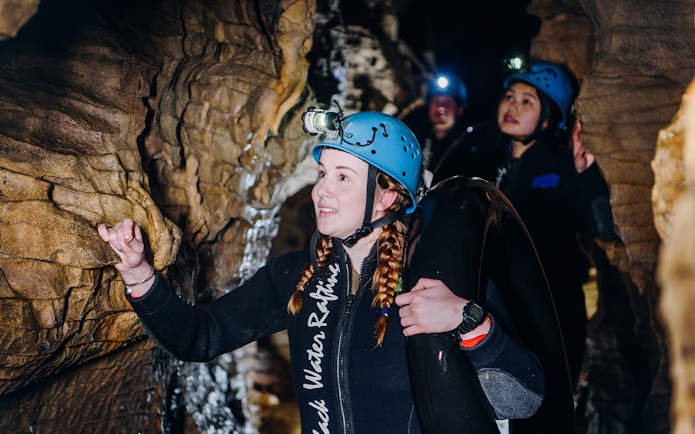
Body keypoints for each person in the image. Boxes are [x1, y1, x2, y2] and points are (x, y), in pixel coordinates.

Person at [98, 111, 547, 433]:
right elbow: (200, 337)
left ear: (387, 196)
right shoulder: (296, 276)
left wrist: (470, 321)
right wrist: (139, 274)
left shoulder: (438, 278)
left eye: (343, 177)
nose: (321, 192)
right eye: (322, 174)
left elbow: (523, 399)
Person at [443, 60, 619, 392]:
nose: (513, 106)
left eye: (528, 101)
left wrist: (586, 176)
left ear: (549, 118)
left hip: (553, 306)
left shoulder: (563, 166)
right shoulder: (481, 160)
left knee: (550, 401)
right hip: (493, 304)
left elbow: (604, 228)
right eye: (510, 96)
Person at [403, 73, 476, 184]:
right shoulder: (411, 136)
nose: (441, 107)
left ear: (460, 109)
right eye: (436, 101)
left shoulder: (469, 147)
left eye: (448, 102)